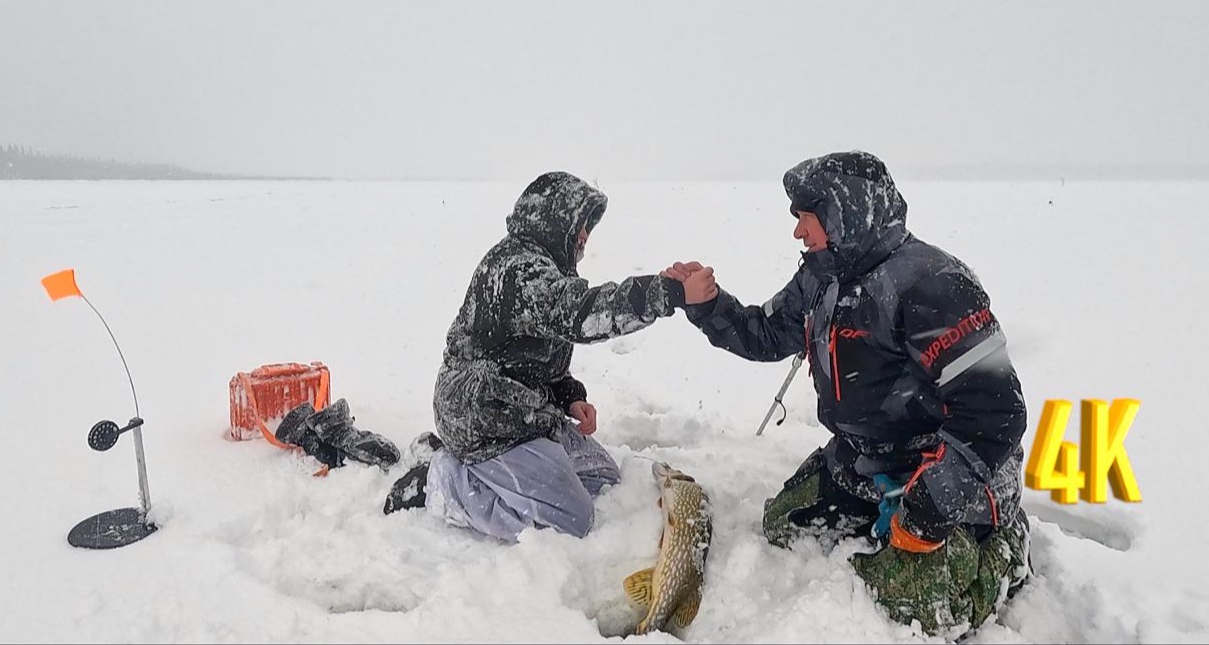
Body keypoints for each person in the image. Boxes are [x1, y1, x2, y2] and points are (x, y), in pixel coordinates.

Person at [663, 151, 1030, 634]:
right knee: (785, 523)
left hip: (947, 475)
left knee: (908, 608)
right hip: (866, 462)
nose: (798, 232)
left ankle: (1003, 549)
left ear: (844, 211)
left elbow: (997, 414)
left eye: (805, 218)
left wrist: (932, 502)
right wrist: (709, 306)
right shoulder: (822, 278)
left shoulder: (932, 285)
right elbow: (768, 334)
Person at [384, 171, 697, 543]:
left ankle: (483, 468)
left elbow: (528, 355)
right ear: (555, 219)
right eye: (580, 225)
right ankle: (444, 480)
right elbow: (579, 314)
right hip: (484, 414)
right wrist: (664, 293)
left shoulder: (545, 268)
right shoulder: (518, 270)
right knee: (571, 520)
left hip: (521, 408)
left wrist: (569, 395)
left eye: (588, 229)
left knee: (602, 480)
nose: (584, 237)